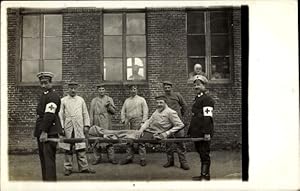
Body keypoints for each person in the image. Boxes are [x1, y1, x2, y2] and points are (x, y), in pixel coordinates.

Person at [59, 82, 95, 176]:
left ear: (77, 89)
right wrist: (62, 127)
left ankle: (84, 167)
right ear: (68, 89)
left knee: (81, 146)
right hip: (68, 126)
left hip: (79, 126)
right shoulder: (63, 100)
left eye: (74, 88)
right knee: (68, 147)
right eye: (71, 88)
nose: (73, 90)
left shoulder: (80, 100)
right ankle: (68, 168)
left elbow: (85, 113)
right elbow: (60, 114)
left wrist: (86, 125)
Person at [34, 72, 62, 181]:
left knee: (48, 160)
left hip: (49, 131)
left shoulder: (53, 96)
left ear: (51, 83)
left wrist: (44, 131)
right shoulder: (44, 95)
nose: (43, 85)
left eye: (45, 83)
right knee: (44, 160)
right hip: (42, 130)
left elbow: (49, 115)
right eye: (41, 83)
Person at [187, 75, 215, 181]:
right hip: (197, 132)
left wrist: (207, 133)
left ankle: (205, 176)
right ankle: (203, 174)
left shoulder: (207, 99)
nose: (196, 87)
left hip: (204, 132)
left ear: (204, 86)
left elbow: (208, 117)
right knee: (201, 153)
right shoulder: (197, 98)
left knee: (204, 154)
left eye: (198, 84)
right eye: (194, 85)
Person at [162, 81, 190, 170]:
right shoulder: (163, 97)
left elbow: (184, 106)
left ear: (171, 87)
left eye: (168, 87)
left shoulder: (177, 95)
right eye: (165, 88)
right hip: (167, 124)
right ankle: (170, 161)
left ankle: (183, 162)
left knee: (180, 142)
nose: (167, 89)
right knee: (168, 143)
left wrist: (180, 115)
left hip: (178, 123)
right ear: (164, 88)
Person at [120, 85, 149, 166]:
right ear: (130, 90)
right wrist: (123, 120)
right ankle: (129, 157)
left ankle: (142, 158)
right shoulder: (127, 100)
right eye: (132, 89)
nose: (133, 91)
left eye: (135, 89)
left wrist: (143, 122)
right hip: (129, 122)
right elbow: (123, 111)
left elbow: (145, 111)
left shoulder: (141, 99)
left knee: (140, 140)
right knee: (129, 141)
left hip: (138, 121)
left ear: (137, 90)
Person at [89, 84, 117, 165]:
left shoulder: (109, 99)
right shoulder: (94, 100)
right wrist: (91, 124)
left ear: (105, 90)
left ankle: (111, 158)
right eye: (100, 89)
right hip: (97, 121)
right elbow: (91, 113)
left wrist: (109, 106)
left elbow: (113, 112)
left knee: (109, 139)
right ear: (97, 91)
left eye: (103, 89)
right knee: (96, 140)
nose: (101, 91)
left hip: (106, 122)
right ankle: (97, 158)